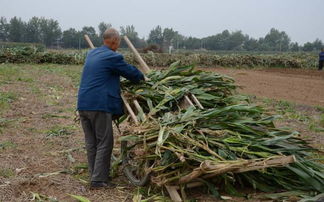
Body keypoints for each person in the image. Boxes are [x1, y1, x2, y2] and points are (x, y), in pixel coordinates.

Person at [77, 28, 144, 189]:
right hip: (99, 105)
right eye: (119, 41)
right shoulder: (113, 57)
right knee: (105, 142)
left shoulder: (92, 53)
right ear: (115, 41)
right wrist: (143, 78)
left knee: (92, 142)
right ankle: (99, 180)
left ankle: (95, 175)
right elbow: (131, 73)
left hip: (83, 105)